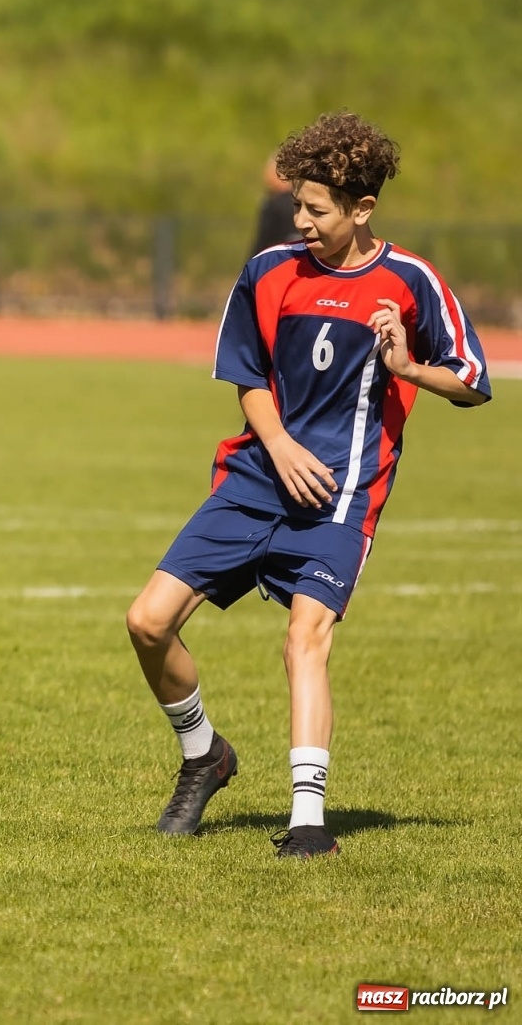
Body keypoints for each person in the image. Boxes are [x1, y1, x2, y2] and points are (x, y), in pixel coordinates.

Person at [124, 112, 491, 860]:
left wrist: (407, 367)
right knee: (147, 622)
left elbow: (472, 381)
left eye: (316, 210)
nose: (301, 221)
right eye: (297, 204)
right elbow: (247, 375)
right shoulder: (268, 271)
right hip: (256, 478)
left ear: (362, 209)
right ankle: (204, 754)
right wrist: (282, 445)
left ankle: (308, 821)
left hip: (342, 496)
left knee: (304, 640)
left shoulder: (411, 281)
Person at [250, 154, 302, 258]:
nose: (266, 179)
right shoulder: (304, 201)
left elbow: (263, 242)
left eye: (269, 173)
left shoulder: (274, 205)